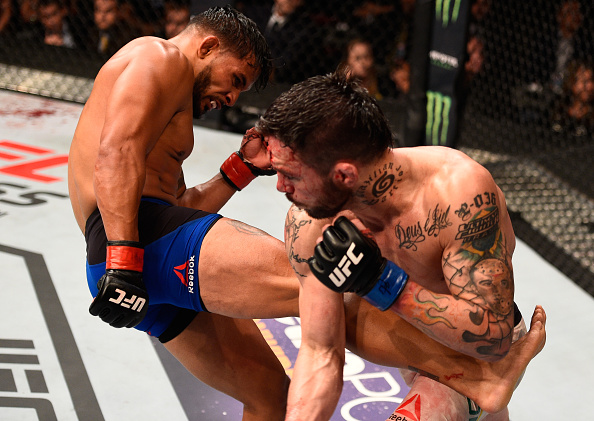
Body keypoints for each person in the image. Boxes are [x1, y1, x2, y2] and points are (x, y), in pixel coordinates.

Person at [69, 6, 546, 419]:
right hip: (129, 247)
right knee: (331, 288)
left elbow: (178, 211)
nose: (232, 99)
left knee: (268, 394)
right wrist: (124, 259)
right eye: (236, 79)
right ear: (209, 45)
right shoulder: (163, 56)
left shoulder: (457, 188)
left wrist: (237, 172)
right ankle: (479, 376)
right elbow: (117, 154)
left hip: (137, 252)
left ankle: (475, 376)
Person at [256, 70, 546, 420]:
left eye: (292, 175)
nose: (281, 187)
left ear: (344, 175)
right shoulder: (310, 223)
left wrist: (382, 282)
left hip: (474, 356)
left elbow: (494, 336)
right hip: (410, 346)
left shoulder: (458, 195)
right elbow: (320, 350)